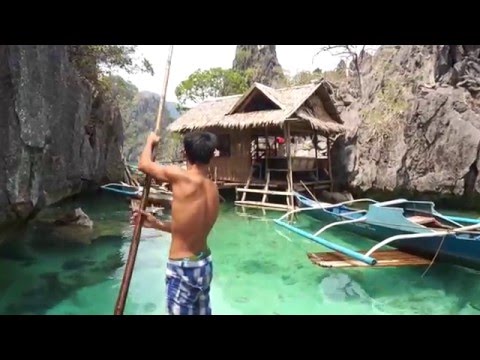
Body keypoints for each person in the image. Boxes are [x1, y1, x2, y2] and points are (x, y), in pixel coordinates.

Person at [131, 131, 220, 315]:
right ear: (211, 155)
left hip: (183, 269)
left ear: (185, 154)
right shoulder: (213, 190)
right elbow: (189, 231)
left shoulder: (180, 176)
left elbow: (144, 164)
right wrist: (156, 223)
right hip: (204, 265)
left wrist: (150, 141)